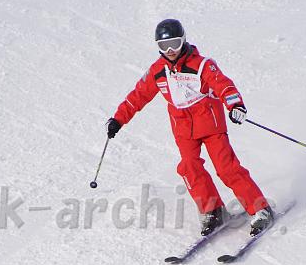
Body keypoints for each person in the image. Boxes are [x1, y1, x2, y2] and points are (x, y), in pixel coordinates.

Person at [106, 19, 273, 236]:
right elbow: (138, 96)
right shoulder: (157, 71)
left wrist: (235, 105)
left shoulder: (202, 65)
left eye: (174, 44)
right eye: (164, 46)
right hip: (183, 129)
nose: (170, 50)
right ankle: (213, 210)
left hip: (210, 124)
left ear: (183, 40)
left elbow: (223, 84)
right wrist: (118, 119)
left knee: (226, 168)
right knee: (189, 167)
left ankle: (260, 209)